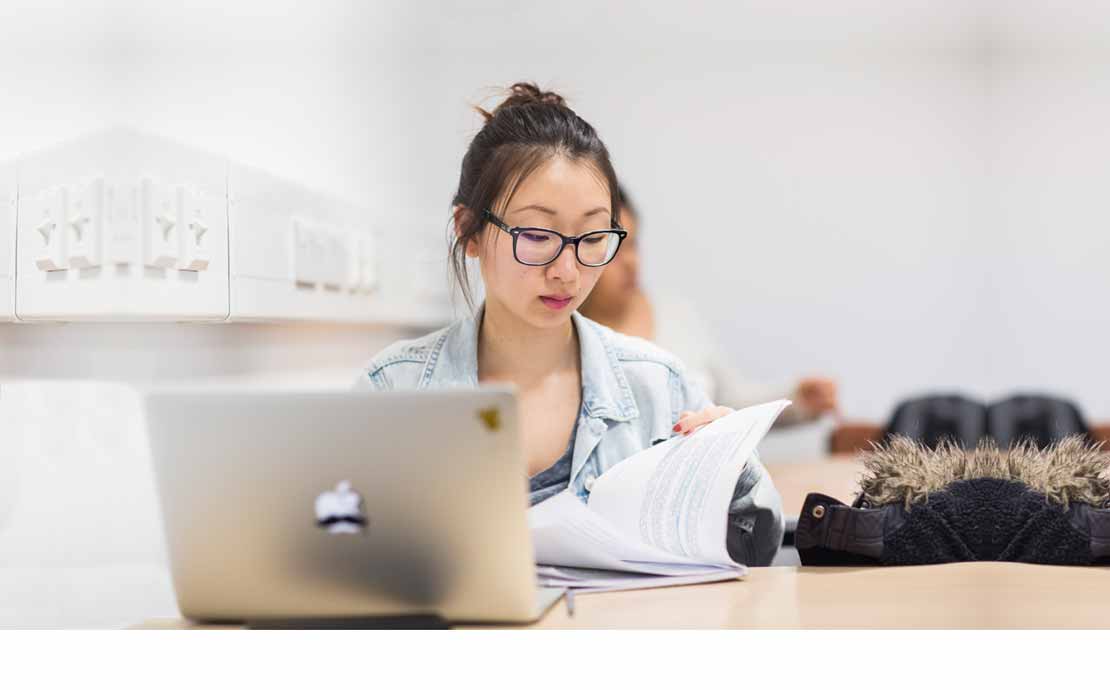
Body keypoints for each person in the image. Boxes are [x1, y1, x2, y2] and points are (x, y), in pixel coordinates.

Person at [354, 83, 783, 566]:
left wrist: (731, 467)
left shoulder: (657, 385)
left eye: (593, 236)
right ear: (468, 230)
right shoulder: (393, 388)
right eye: (537, 235)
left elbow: (756, 547)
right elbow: (334, 555)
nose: (567, 271)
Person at [579, 187, 839, 428]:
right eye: (615, 249)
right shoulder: (569, 342)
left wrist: (796, 402)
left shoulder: (675, 315)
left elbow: (729, 403)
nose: (631, 262)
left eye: (633, 245)